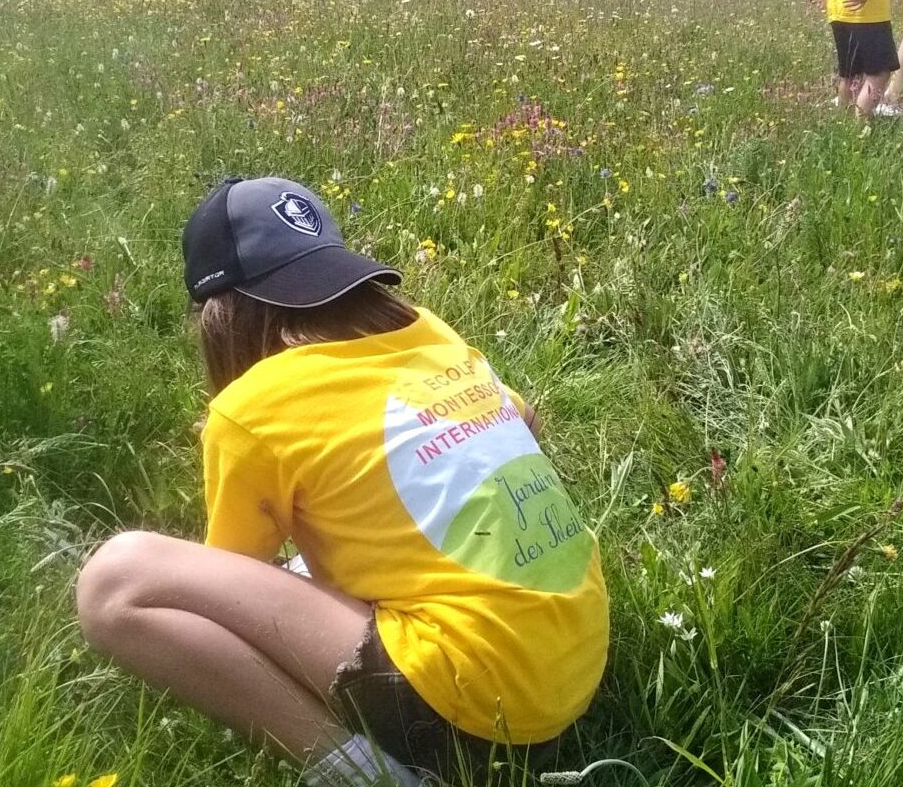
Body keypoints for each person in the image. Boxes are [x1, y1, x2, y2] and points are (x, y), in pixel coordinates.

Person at [76, 176, 609, 787]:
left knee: (117, 580)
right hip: (572, 666)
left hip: (464, 708)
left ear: (217, 314)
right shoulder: (425, 329)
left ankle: (362, 774)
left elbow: (231, 587)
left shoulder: (250, 408)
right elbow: (525, 420)